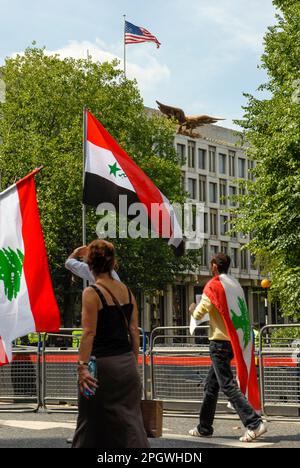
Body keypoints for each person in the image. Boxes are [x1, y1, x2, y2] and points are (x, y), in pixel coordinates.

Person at [72, 239, 149, 448]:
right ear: (113, 263)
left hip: (100, 367)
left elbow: (88, 333)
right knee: (130, 422)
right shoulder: (127, 291)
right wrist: (134, 362)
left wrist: (82, 367)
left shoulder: (91, 292)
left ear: (89, 265)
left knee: (91, 421)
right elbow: (134, 331)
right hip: (126, 364)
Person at [188, 253, 267, 443]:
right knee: (211, 385)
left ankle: (254, 423)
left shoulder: (213, 285)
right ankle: (204, 427)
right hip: (233, 341)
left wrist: (192, 309)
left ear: (214, 266)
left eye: (210, 264)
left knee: (226, 384)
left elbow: (200, 312)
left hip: (219, 343)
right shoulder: (234, 284)